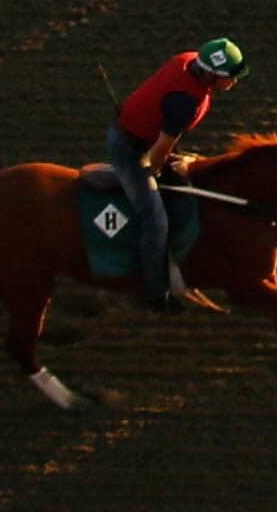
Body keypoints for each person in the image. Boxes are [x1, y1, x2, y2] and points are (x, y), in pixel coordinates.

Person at [101, 36, 247, 309]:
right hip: (131, 149)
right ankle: (155, 293)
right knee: (155, 221)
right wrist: (153, 174)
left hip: (146, 134)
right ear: (210, 75)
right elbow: (159, 151)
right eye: (229, 77)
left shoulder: (189, 59)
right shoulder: (185, 103)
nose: (234, 82)